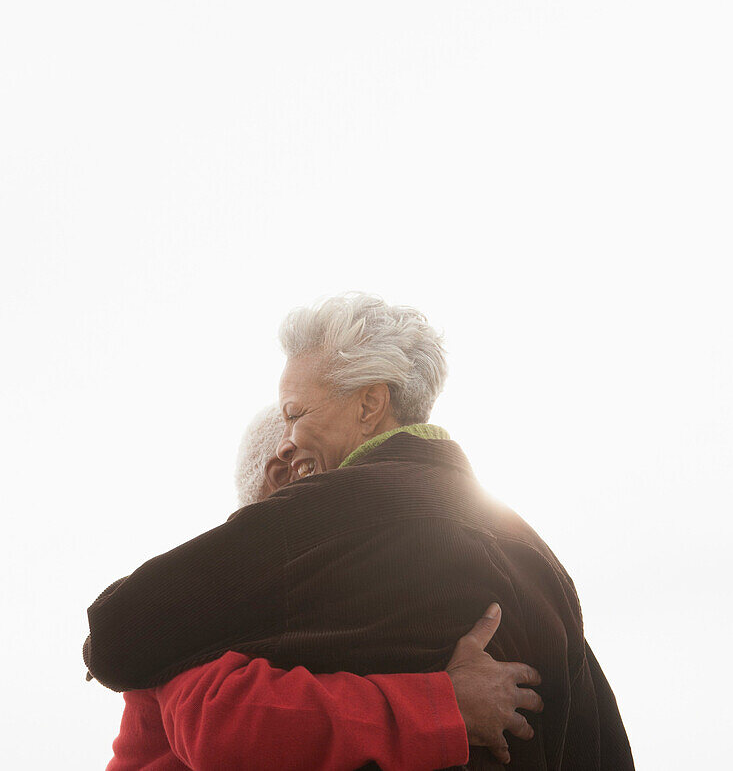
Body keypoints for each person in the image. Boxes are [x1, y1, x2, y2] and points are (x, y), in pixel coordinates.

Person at [85, 293, 634, 769]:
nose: (289, 441)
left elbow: (119, 633)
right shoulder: (537, 555)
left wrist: (443, 707)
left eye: (296, 413)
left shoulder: (319, 527)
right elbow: (600, 737)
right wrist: (442, 702)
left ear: (370, 403)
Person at [106, 405, 542, 769]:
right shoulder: (211, 590)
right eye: (349, 470)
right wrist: (444, 706)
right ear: (287, 473)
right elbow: (226, 724)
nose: (363, 486)